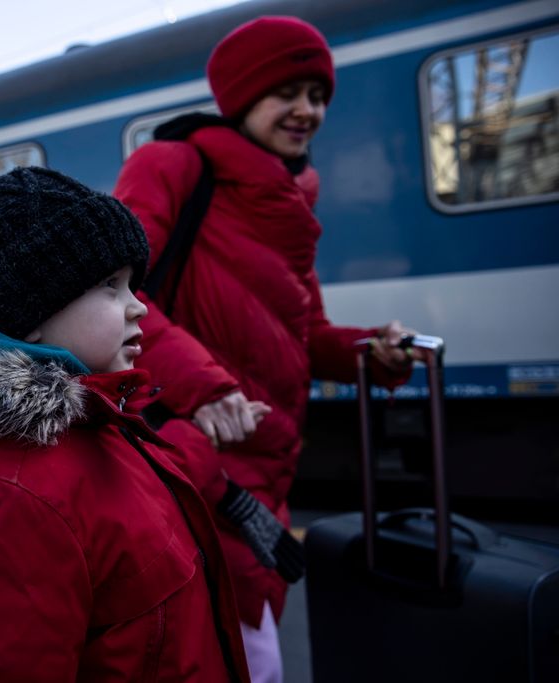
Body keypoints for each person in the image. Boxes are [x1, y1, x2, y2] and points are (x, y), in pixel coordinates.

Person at [0, 167, 251, 682]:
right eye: (110, 285)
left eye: (132, 285)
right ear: (29, 314)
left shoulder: (90, 425)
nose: (138, 306)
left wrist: (201, 434)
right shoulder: (7, 495)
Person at [114, 16, 414, 683]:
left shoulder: (287, 203)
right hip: (188, 457)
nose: (308, 110)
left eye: (319, 95)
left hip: (263, 467)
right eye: (288, 92)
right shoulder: (170, 165)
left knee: (246, 648)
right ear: (243, 96)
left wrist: (370, 351)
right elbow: (115, 296)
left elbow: (300, 333)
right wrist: (208, 385)